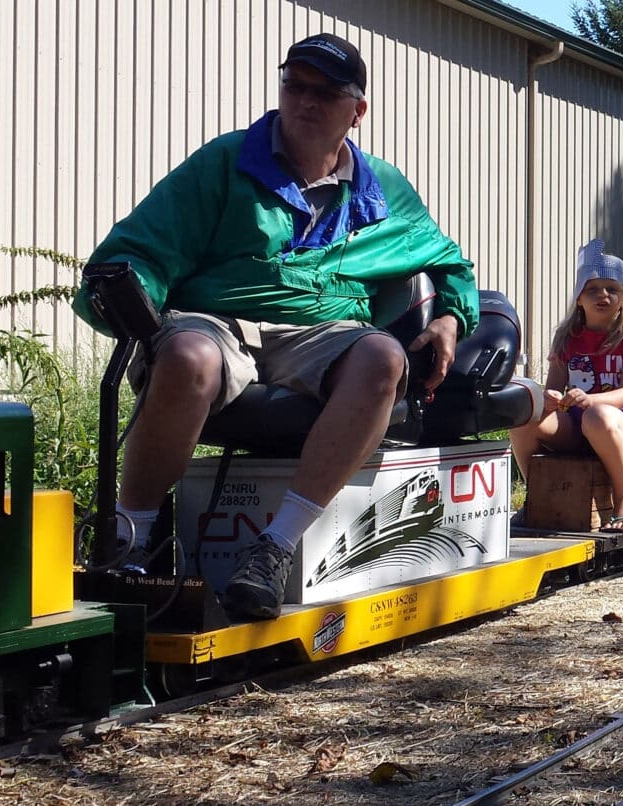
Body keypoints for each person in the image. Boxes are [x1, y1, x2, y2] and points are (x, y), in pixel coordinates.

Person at [72, 34, 478, 619]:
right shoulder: (226, 162)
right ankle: (130, 542)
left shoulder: (383, 189)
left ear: (357, 110)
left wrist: (450, 317)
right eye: (295, 86)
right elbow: (143, 246)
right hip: (218, 317)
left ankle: (274, 549)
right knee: (187, 356)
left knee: (384, 359)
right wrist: (126, 299)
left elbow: (449, 261)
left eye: (326, 92)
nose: (306, 101)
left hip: (322, 331)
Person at [511, 242, 623, 534]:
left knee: (597, 415)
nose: (603, 295)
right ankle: (536, 494)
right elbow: (554, 389)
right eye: (593, 289)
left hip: (620, 424)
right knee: (524, 417)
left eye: (612, 289)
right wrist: (549, 398)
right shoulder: (567, 336)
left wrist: (592, 399)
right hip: (576, 424)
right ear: (578, 298)